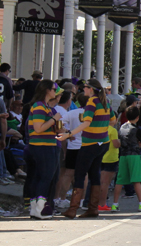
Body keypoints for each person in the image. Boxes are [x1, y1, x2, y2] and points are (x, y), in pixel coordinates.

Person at [60, 79, 112, 219]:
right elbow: (113, 120)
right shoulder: (105, 101)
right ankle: (92, 208)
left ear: (91, 89)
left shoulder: (92, 102)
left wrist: (69, 134)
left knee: (80, 174)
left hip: (90, 143)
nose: (84, 90)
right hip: (103, 142)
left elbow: (87, 122)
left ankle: (73, 209)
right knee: (95, 174)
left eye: (86, 88)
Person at [24, 81, 64, 219]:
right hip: (42, 146)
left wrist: (59, 126)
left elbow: (47, 127)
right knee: (46, 177)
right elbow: (38, 128)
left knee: (40, 176)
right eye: (54, 89)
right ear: (47, 90)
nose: (56, 91)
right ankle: (40, 208)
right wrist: (54, 119)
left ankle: (35, 208)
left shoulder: (45, 107)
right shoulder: (39, 106)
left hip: (47, 145)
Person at [111, 105, 141, 211]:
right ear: (137, 117)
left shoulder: (122, 127)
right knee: (136, 180)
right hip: (134, 155)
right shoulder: (136, 129)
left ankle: (115, 204)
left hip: (123, 155)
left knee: (120, 180)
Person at [97, 123, 120, 211]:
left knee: (100, 181)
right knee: (105, 183)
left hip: (100, 156)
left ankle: (97, 202)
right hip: (110, 158)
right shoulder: (112, 130)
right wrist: (119, 141)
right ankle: (102, 204)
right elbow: (116, 144)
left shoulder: (100, 127)